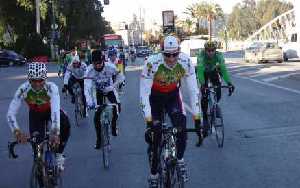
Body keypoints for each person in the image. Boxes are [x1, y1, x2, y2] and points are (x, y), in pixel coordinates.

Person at [140, 35, 201, 187]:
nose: (172, 58)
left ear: (179, 51)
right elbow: (144, 93)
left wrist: (198, 118)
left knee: (181, 129)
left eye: (175, 54)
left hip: (173, 96)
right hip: (154, 99)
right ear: (162, 52)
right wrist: (148, 120)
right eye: (168, 54)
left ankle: (180, 160)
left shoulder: (186, 61)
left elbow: (194, 90)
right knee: (156, 136)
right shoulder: (151, 63)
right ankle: (153, 175)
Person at [7, 62, 71, 171]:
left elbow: (55, 111)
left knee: (66, 124)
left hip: (50, 110)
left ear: (45, 78)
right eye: (33, 81)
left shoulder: (52, 88)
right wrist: (17, 132)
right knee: (37, 147)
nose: (37, 84)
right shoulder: (23, 89)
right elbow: (10, 114)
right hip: (35, 114)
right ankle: (39, 164)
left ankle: (59, 154)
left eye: (40, 80)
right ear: (29, 79)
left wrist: (55, 132)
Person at [84, 50, 125, 149]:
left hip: (110, 89)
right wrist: (89, 102)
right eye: (95, 63)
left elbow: (121, 77)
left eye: (99, 63)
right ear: (92, 63)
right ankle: (99, 139)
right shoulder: (89, 70)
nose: (97, 65)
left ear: (103, 61)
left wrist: (113, 86)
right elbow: (87, 88)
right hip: (97, 91)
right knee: (97, 116)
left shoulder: (110, 66)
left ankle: (114, 126)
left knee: (117, 108)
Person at [196, 40, 235, 141]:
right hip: (203, 72)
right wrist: (203, 84)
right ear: (205, 50)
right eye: (208, 50)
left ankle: (215, 105)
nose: (210, 52)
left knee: (218, 88)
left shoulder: (219, 56)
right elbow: (200, 72)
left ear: (215, 50)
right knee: (204, 94)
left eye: (212, 50)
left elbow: (224, 70)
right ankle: (204, 117)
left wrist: (229, 83)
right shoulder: (201, 56)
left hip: (213, 71)